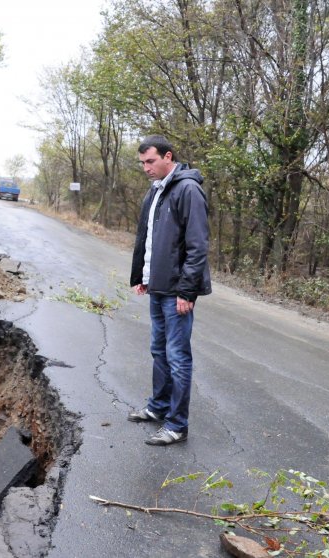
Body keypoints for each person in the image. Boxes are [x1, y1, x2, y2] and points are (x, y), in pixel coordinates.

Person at [128, 135, 211, 446]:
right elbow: (149, 240)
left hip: (178, 291)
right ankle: (158, 408)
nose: (146, 168)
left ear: (168, 156)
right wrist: (143, 275)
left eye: (151, 161)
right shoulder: (156, 191)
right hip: (158, 287)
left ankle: (177, 425)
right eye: (143, 163)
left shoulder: (187, 189)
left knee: (177, 356)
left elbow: (198, 245)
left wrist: (187, 292)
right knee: (158, 350)